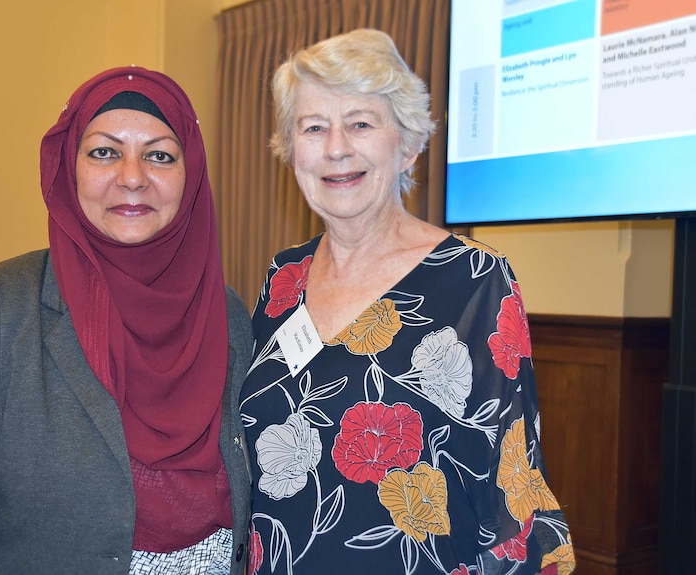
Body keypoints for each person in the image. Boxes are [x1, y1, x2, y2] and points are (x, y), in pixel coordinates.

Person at [240, 29, 575, 575]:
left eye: (361, 123)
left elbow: (511, 484)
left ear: (409, 144)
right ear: (290, 149)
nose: (336, 147)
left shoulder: (475, 279)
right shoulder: (283, 278)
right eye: (314, 127)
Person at [0, 66, 253, 574]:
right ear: (69, 168)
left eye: (159, 155)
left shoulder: (229, 314)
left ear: (190, 174)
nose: (133, 176)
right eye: (105, 152)